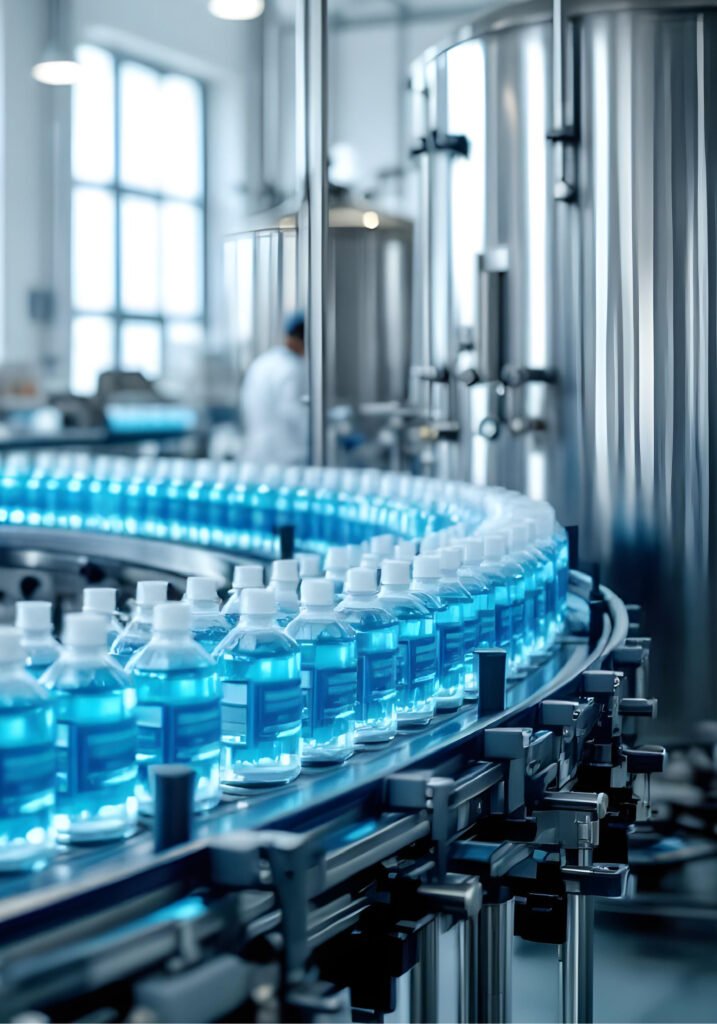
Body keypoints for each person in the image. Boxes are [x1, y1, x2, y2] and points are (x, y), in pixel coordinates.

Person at [240, 311, 309, 465]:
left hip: (257, 452)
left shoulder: (263, 362)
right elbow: (292, 411)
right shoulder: (291, 369)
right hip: (283, 455)